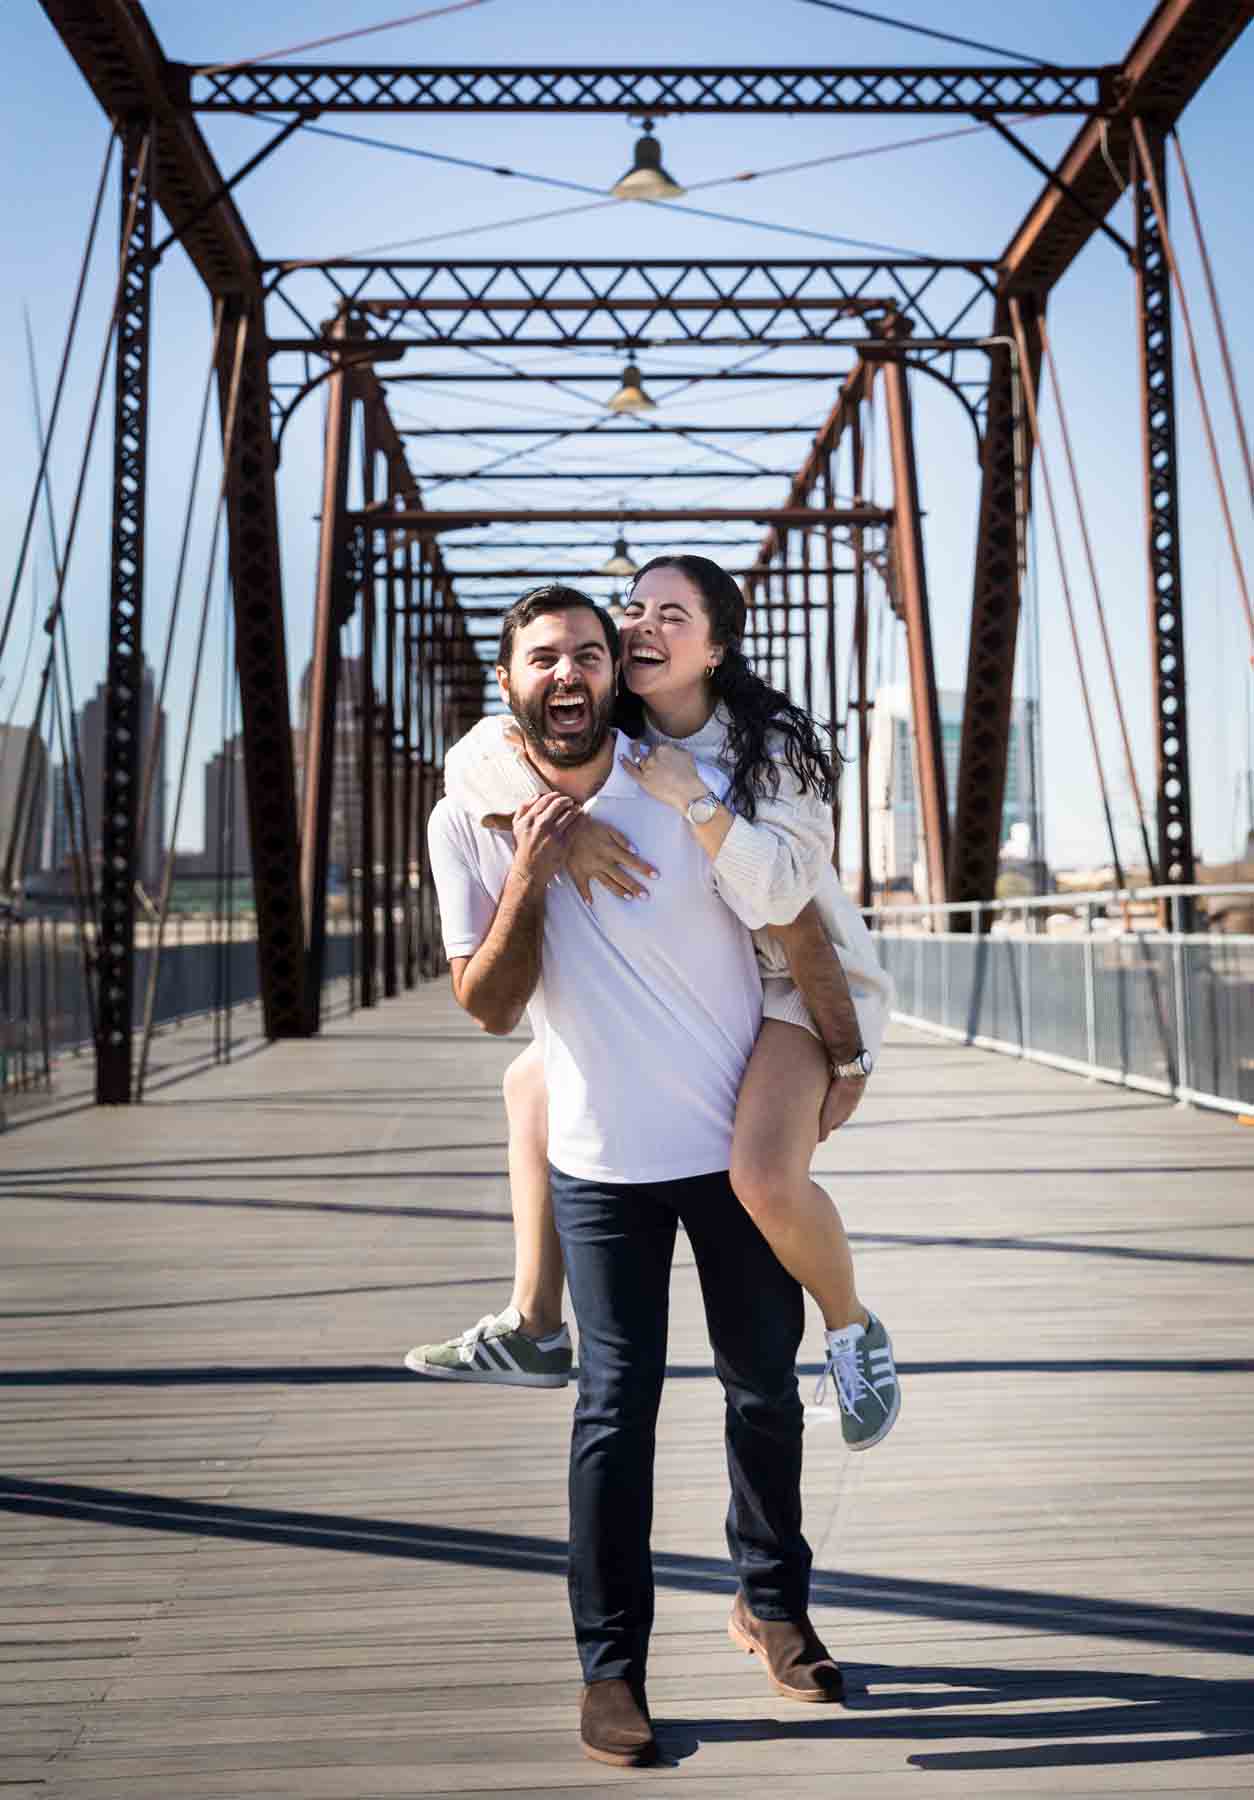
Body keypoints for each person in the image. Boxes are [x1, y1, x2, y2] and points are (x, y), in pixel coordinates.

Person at [423, 584, 847, 1765]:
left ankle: (774, 1605)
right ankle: (611, 1672)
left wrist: (844, 1052)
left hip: (725, 1155)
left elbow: (796, 919)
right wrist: (533, 872)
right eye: (545, 657)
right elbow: (488, 1005)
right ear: (508, 685)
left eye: (592, 656)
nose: (571, 674)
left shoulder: (682, 791)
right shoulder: (472, 817)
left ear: (619, 677)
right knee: (616, 1415)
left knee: (762, 1389)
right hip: (599, 1167)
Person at [409, 555, 898, 1447]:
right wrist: (575, 829)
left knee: (759, 1176)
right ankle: (534, 1322)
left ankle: (852, 1328)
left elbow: (787, 907)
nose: (642, 628)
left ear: (715, 649)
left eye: (673, 617)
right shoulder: (618, 720)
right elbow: (475, 754)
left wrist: (850, 1050)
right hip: (737, 969)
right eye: (635, 609)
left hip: (801, 983)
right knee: (529, 1085)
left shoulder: (770, 749)